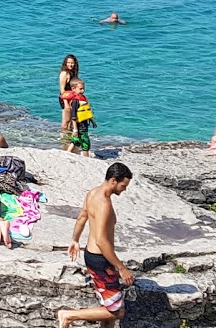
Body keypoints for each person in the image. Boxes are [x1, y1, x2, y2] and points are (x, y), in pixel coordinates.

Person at [58, 162, 135, 327]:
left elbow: (82, 218)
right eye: (123, 185)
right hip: (101, 260)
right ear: (113, 181)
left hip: (91, 256)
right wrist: (121, 267)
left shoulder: (92, 193)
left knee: (107, 308)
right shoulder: (104, 204)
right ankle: (68, 315)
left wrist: (75, 240)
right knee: (117, 311)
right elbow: (101, 240)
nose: (125, 189)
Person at [62, 78, 96, 156]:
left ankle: (67, 154)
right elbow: (73, 116)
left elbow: (86, 113)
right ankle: (86, 158)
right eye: (80, 89)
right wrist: (75, 129)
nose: (83, 91)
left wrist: (92, 122)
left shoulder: (82, 99)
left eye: (83, 89)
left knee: (75, 141)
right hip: (80, 126)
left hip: (83, 124)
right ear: (73, 89)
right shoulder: (75, 101)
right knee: (85, 143)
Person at [58, 55, 80, 138]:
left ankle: (70, 138)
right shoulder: (64, 73)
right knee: (66, 120)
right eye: (68, 63)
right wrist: (66, 103)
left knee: (72, 120)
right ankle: (63, 137)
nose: (70, 65)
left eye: (72, 63)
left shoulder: (73, 73)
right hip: (65, 99)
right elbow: (62, 90)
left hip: (72, 99)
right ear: (65, 63)